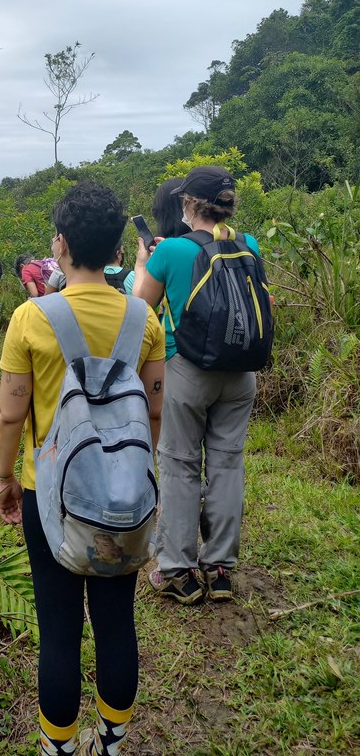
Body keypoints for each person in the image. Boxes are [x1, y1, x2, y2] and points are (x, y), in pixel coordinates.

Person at [0, 182, 165, 756]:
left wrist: (2, 481)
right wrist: (140, 479)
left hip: (48, 496)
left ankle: (58, 748)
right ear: (119, 250)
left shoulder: (29, 318)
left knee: (59, 629)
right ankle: (111, 742)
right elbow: (155, 410)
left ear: (61, 245)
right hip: (125, 495)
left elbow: (10, 413)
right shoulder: (143, 320)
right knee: (118, 621)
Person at [132, 165, 259, 605]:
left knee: (181, 465)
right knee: (227, 463)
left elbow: (138, 311)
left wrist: (146, 262)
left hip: (188, 371)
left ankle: (179, 572)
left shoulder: (171, 252)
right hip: (242, 374)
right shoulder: (248, 244)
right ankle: (220, 568)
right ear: (228, 205)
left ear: (189, 204)